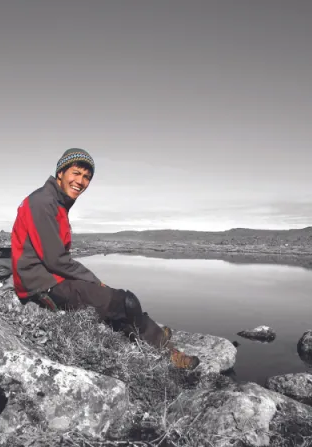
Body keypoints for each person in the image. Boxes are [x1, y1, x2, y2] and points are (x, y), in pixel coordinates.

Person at [11, 148, 199, 369]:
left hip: (47, 278)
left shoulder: (54, 201)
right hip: (42, 285)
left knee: (112, 300)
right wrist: (93, 280)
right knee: (124, 301)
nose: (81, 181)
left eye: (87, 177)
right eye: (76, 173)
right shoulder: (44, 203)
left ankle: (150, 330)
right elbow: (56, 260)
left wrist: (94, 284)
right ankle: (167, 351)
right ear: (60, 172)